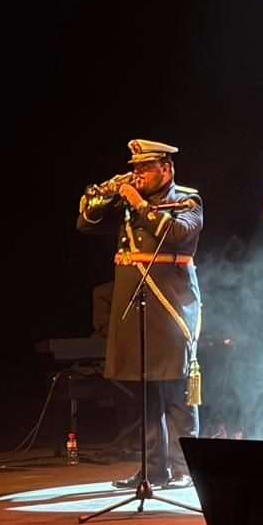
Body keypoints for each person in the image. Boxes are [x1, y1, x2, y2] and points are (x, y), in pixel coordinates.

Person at [78, 139, 202, 490]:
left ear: (166, 169)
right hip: (134, 304)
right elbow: (86, 225)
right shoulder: (128, 203)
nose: (138, 175)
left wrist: (139, 202)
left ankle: (185, 468)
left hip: (170, 306)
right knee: (145, 391)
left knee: (176, 392)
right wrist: (106, 195)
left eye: (144, 169)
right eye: (135, 169)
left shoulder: (187, 200)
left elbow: (176, 235)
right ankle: (152, 468)